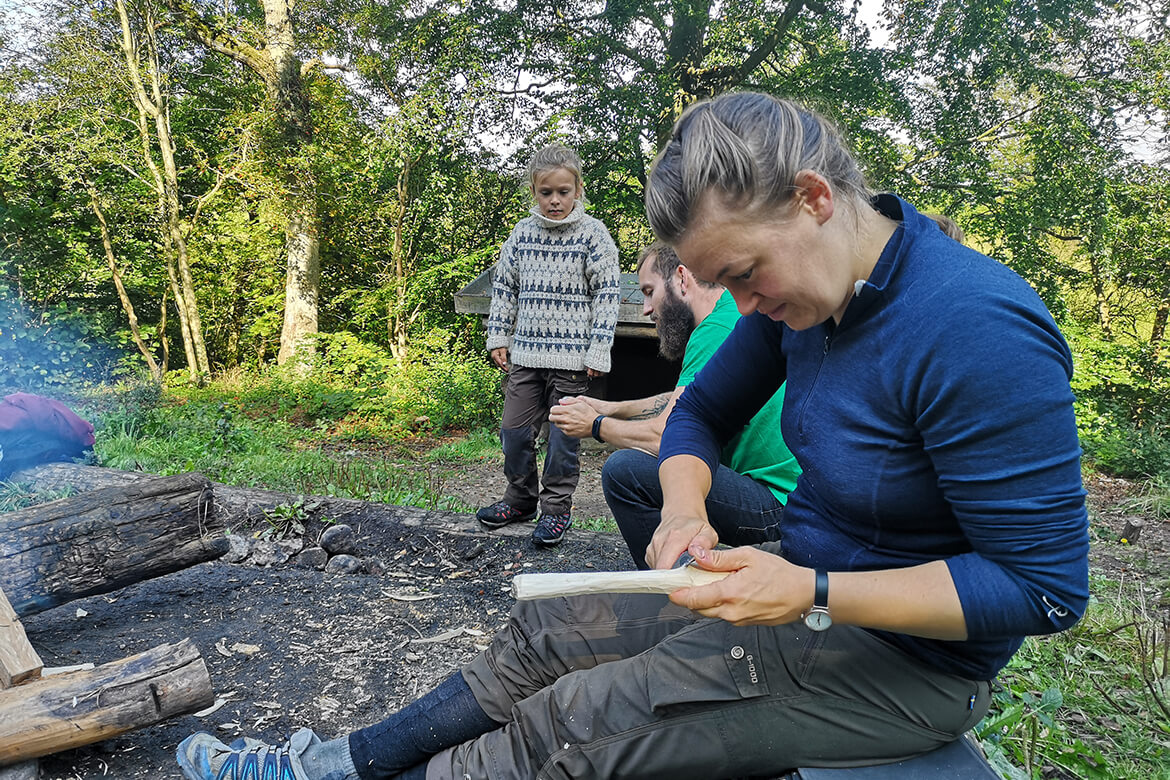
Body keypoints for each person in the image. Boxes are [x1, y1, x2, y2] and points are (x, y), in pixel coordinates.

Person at [176, 92, 1090, 780]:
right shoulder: (804, 295)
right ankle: (325, 766)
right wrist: (686, 506)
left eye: (742, 273)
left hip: (910, 667)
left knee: (575, 720)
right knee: (547, 632)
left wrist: (811, 587)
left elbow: (1044, 591)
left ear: (812, 198)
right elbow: (698, 413)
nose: (740, 304)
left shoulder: (975, 329)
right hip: (807, 594)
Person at [549, 242, 800, 568]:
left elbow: (668, 437)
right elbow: (689, 404)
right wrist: (610, 408)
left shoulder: (714, 331)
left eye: (649, 291)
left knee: (624, 472)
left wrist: (595, 427)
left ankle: (667, 595)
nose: (646, 308)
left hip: (778, 510)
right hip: (798, 499)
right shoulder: (729, 315)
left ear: (682, 279)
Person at [474, 143, 620, 546]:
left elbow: (607, 294)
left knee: (562, 441)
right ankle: (520, 500)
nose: (555, 201)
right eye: (546, 193)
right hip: (525, 354)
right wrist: (498, 335)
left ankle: (556, 511)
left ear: (578, 190)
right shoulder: (522, 234)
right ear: (534, 192)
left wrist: (597, 349)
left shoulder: (594, 235)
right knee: (515, 432)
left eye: (563, 192)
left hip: (572, 359)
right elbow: (505, 287)